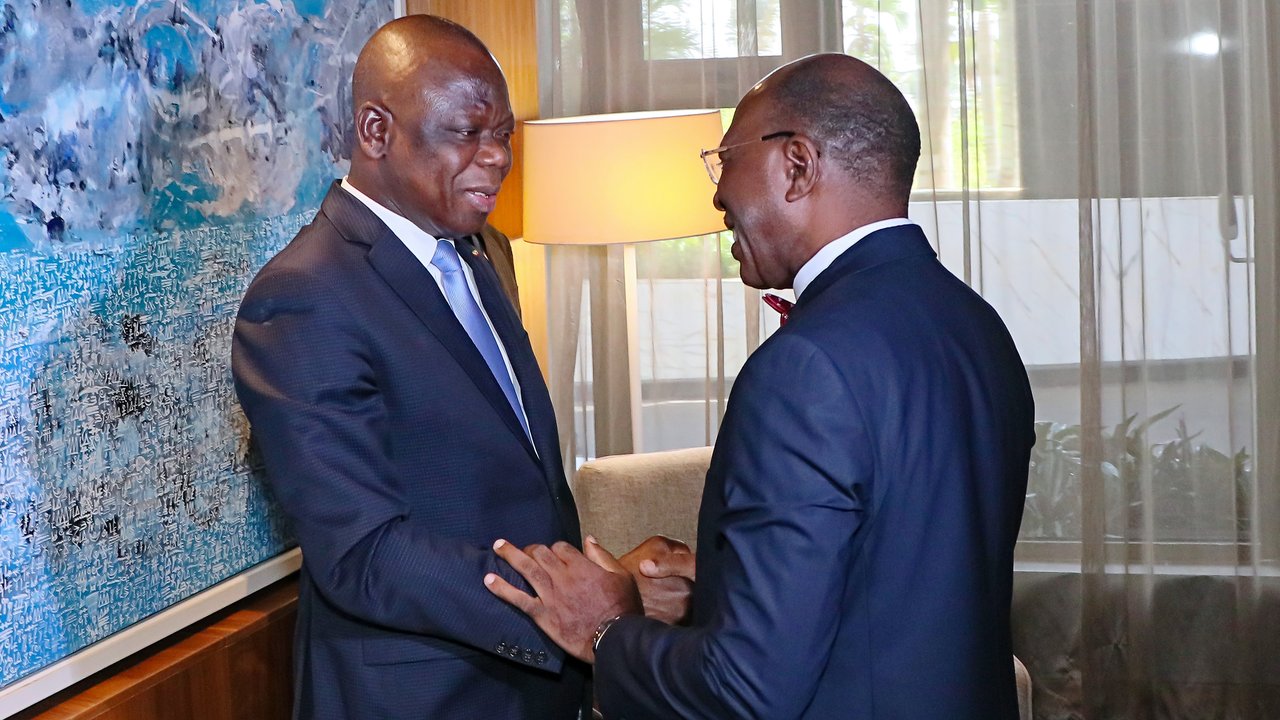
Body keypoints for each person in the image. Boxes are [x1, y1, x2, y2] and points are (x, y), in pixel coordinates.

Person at [484, 52, 1036, 719]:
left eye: (726, 159)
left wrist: (603, 632)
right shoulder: (976, 326)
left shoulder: (806, 366)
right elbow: (899, 578)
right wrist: (718, 596)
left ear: (797, 165)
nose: (717, 195)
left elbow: (747, 691)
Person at [231, 15, 590, 719]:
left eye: (504, 135)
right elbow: (363, 553)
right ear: (375, 132)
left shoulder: (479, 254)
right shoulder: (304, 296)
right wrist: (563, 610)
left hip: (529, 685)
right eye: (468, 132)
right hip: (421, 695)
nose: (496, 157)